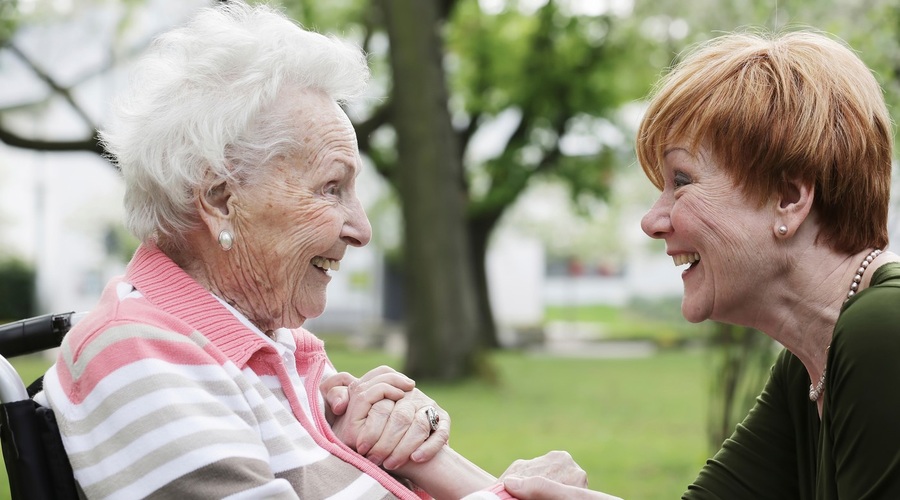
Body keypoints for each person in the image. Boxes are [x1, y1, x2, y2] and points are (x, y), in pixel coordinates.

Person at [35, 2, 588, 498]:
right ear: (221, 199)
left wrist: (426, 458)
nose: (362, 228)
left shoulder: (275, 347)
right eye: (331, 188)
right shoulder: (137, 355)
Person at [503, 28, 900, 499]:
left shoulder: (882, 333)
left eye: (682, 180)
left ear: (789, 198)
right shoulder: (810, 366)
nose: (652, 221)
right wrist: (423, 459)